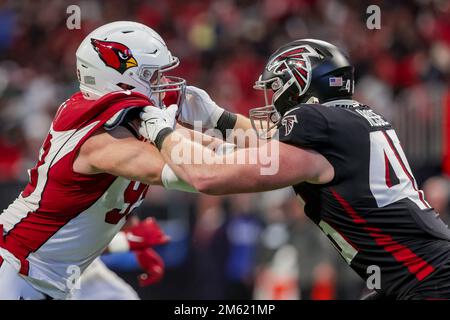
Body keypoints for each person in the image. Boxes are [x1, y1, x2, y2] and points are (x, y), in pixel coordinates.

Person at [140, 39, 450, 299]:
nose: (272, 99)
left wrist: (160, 132)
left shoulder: (314, 123)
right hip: (421, 273)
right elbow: (270, 147)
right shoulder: (351, 120)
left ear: (299, 85)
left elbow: (207, 175)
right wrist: (218, 118)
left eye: (276, 88)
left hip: (426, 278)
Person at [0, 21, 199, 300]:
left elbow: (77, 224)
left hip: (57, 269)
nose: (164, 85)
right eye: (153, 76)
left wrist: (124, 240)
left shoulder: (131, 124)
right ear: (121, 78)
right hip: (21, 269)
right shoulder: (98, 136)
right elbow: (198, 173)